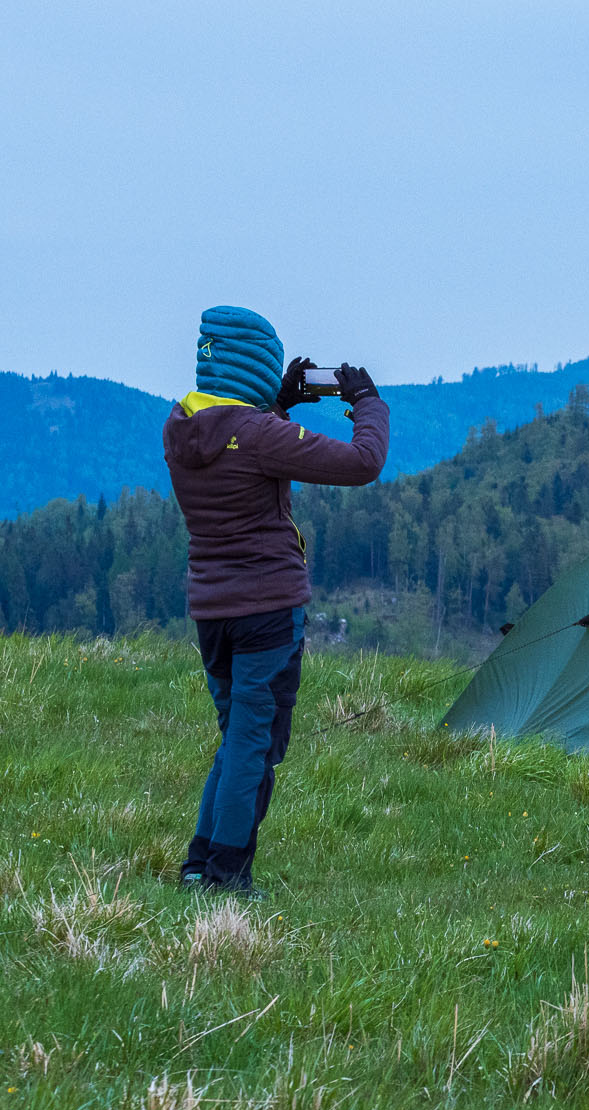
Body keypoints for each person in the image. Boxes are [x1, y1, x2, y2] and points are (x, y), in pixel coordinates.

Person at [162, 305, 390, 894]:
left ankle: (198, 864)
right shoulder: (261, 436)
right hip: (266, 609)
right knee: (255, 743)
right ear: (257, 362)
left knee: (237, 733)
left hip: (211, 612)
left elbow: (237, 440)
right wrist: (366, 401)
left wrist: (278, 404)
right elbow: (363, 462)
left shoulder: (179, 427)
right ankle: (227, 874)